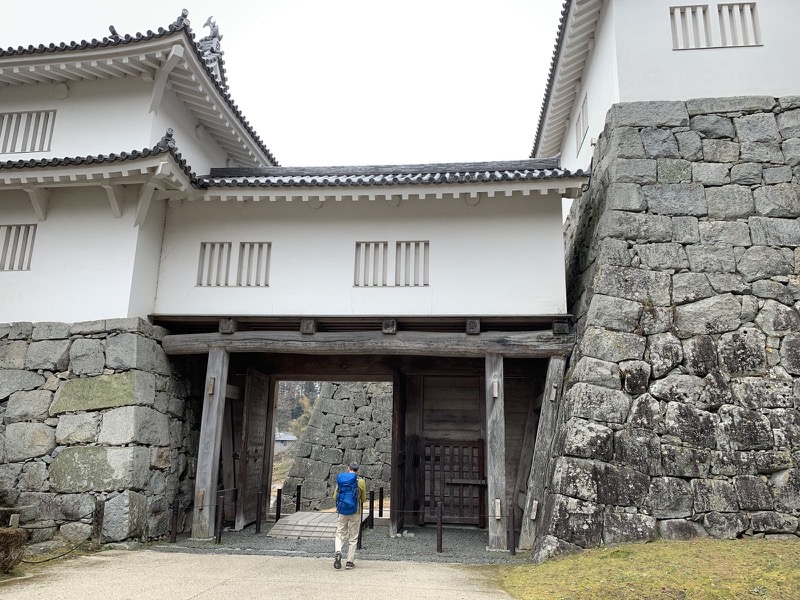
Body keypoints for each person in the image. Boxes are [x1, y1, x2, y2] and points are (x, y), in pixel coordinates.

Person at [333, 462, 367, 570]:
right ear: (358, 471)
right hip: (355, 511)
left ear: (348, 469)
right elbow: (364, 498)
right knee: (353, 536)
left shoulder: (341, 481)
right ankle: (349, 562)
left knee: (340, 533)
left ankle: (338, 551)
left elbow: (335, 497)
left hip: (342, 511)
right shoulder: (360, 482)